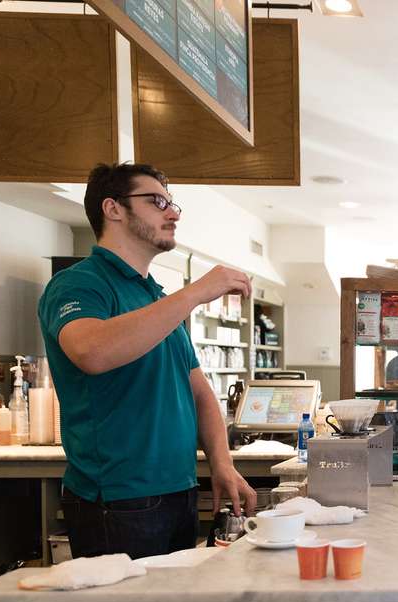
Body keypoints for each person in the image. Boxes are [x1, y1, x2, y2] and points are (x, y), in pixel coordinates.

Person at [38, 162, 258, 560]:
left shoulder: (156, 297)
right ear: (113, 209)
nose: (172, 213)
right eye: (157, 201)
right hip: (119, 497)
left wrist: (222, 465)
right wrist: (194, 294)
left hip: (179, 489)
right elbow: (92, 352)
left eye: (173, 204)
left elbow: (200, 394)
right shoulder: (79, 283)